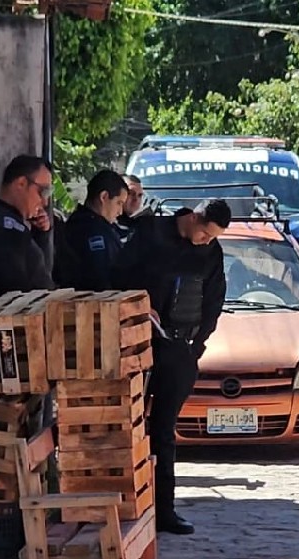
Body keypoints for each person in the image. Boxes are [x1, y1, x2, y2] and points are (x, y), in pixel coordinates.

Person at [112, 198, 232, 535]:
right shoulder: (151, 232)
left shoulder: (211, 252)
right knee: (128, 423)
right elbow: (118, 277)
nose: (206, 242)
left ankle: (164, 509)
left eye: (213, 238)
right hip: (138, 341)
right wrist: (138, 306)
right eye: (205, 234)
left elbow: (214, 300)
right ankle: (125, 503)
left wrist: (197, 346)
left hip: (180, 348)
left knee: (164, 430)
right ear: (193, 218)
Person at [0, 155, 57, 306]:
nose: (44, 201)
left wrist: (42, 234)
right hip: (15, 320)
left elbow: (42, 272)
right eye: (43, 191)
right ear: (21, 183)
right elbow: (22, 286)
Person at [53, 169, 129, 291]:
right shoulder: (91, 230)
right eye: (119, 203)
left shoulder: (93, 223)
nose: (120, 212)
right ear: (104, 197)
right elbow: (101, 278)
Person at [115, 174, 149, 245]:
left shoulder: (144, 223)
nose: (136, 199)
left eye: (140, 195)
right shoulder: (109, 221)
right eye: (131, 193)